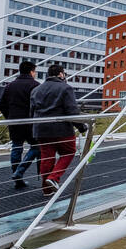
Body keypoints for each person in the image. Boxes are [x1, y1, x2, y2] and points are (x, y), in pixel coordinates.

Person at [29, 64, 88, 198]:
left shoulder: (36, 90)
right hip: (61, 130)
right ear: (61, 74)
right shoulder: (65, 88)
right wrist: (81, 126)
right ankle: (54, 178)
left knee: (47, 158)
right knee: (69, 151)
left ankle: (46, 189)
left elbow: (31, 112)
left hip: (41, 129)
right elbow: (72, 111)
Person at [0, 60, 38, 190]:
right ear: (31, 71)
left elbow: (1, 105)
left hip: (14, 121)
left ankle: (18, 179)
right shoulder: (35, 85)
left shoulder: (10, 85)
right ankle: (19, 171)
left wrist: (9, 116)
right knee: (37, 147)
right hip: (30, 122)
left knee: (16, 147)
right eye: (35, 71)